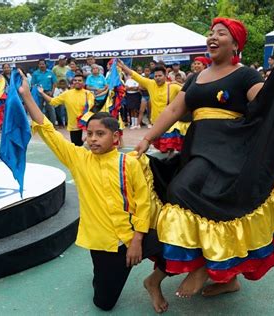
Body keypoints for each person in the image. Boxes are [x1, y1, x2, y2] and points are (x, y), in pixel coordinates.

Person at [133, 18, 274, 298]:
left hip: (228, 151)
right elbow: (173, 111)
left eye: (221, 33)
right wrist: (147, 139)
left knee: (183, 192)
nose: (213, 37)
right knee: (206, 206)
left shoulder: (245, 76)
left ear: (235, 44)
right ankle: (224, 279)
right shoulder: (195, 78)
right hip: (197, 148)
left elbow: (267, 104)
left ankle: (202, 270)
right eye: (210, 33)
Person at [16, 71, 170, 313]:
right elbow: (48, 131)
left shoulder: (128, 162)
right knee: (104, 302)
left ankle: (153, 282)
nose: (93, 139)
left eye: (100, 134)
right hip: (102, 243)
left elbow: (143, 202)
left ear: (116, 138)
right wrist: (26, 95)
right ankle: (104, 277)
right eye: (89, 134)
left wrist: (137, 241)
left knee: (176, 247)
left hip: (132, 236)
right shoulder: (79, 159)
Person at [118, 63, 182, 153]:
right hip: (156, 123)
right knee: (162, 151)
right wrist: (124, 67)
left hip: (170, 123)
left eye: (160, 75)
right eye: (156, 76)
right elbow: (136, 76)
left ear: (166, 75)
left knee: (169, 148)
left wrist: (178, 83)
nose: (158, 78)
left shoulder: (173, 86)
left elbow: (189, 91)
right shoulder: (150, 84)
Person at [37, 74, 94, 146]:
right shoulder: (67, 94)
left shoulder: (88, 94)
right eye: (75, 80)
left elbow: (92, 108)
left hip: (88, 123)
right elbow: (52, 101)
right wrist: (42, 93)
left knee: (92, 144)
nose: (77, 82)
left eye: (79, 80)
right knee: (76, 145)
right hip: (74, 124)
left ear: (84, 82)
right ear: (72, 82)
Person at [31, 59, 58, 125]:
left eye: (43, 64)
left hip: (48, 93)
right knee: (38, 109)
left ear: (46, 65)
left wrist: (52, 92)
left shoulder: (50, 72)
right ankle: (39, 124)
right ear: (38, 65)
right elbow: (32, 84)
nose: (41, 65)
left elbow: (54, 83)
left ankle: (52, 124)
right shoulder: (35, 73)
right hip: (39, 93)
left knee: (51, 109)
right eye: (40, 64)